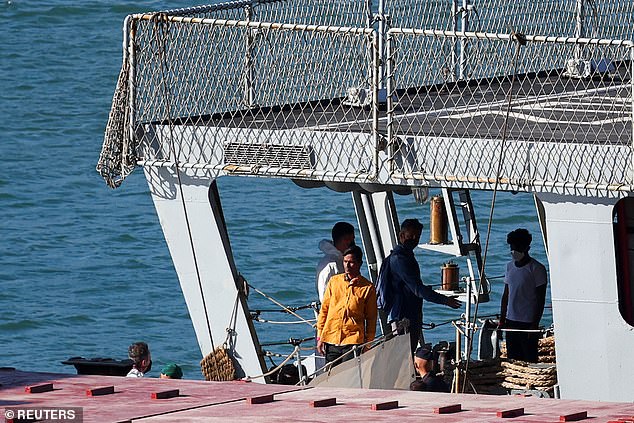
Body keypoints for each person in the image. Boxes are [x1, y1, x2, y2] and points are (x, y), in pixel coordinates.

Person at [376, 218, 461, 355]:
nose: (414, 239)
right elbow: (417, 289)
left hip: (410, 314)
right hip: (402, 317)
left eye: (417, 236)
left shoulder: (406, 256)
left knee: (406, 355)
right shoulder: (399, 259)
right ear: (401, 235)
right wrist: (445, 300)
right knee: (403, 357)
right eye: (411, 235)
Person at [317, 245, 377, 366]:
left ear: (360, 263)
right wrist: (320, 337)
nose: (347, 266)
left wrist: (368, 344)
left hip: (352, 340)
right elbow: (324, 310)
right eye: (345, 262)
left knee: (348, 375)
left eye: (351, 262)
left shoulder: (367, 287)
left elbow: (371, 319)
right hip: (331, 338)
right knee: (331, 375)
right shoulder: (334, 282)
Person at [499, 228, 548, 363]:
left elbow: (540, 299)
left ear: (527, 247)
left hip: (527, 322)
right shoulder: (509, 267)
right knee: (512, 358)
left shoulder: (537, 269)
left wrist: (534, 324)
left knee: (529, 358)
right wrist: (502, 320)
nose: (514, 251)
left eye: (518, 248)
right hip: (511, 320)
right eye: (512, 248)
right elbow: (506, 295)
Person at [316, 222, 355, 303]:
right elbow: (325, 297)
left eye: (352, 239)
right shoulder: (330, 265)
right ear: (338, 240)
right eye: (347, 240)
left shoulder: (346, 260)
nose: (351, 243)